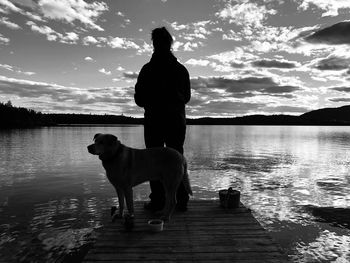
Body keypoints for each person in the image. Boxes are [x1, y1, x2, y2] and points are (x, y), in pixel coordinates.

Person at [134, 27, 191, 212]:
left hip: (155, 122)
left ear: (154, 44)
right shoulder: (181, 70)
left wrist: (153, 98)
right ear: (170, 44)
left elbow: (139, 99)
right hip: (175, 121)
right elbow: (187, 97)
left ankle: (159, 201)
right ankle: (180, 201)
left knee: (154, 161)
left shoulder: (147, 69)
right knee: (176, 159)